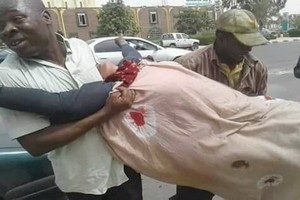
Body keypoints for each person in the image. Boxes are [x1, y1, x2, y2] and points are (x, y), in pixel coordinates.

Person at [1, 57, 300, 200]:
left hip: (250, 114)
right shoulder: (131, 81)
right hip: (259, 115)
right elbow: (55, 104)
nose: (97, 65)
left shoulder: (128, 82)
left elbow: (55, 104)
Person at [0, 0, 142, 200]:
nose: (7, 31)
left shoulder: (80, 47)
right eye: (0, 27)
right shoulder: (8, 76)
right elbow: (36, 144)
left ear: (46, 17)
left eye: (17, 19)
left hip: (125, 165)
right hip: (83, 182)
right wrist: (105, 113)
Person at [174, 8, 269, 200]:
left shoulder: (257, 68)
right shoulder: (189, 67)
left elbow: (261, 112)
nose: (249, 49)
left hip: (242, 155)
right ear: (221, 37)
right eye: (242, 42)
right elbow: (175, 117)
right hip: (199, 157)